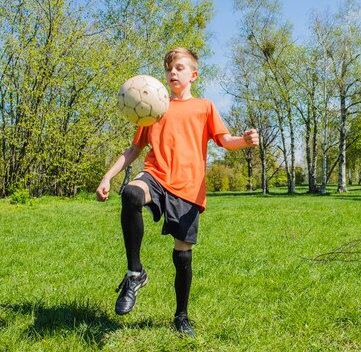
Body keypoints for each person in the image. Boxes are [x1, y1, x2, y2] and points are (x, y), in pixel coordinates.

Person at [96, 47, 259, 337]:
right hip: (156, 176)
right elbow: (135, 149)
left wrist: (244, 141)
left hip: (187, 188)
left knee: (182, 254)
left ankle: (181, 316)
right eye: (169, 68)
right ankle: (135, 273)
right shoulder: (154, 106)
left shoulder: (204, 107)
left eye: (180, 68)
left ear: (193, 75)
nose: (173, 72)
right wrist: (108, 176)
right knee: (131, 194)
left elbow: (225, 140)